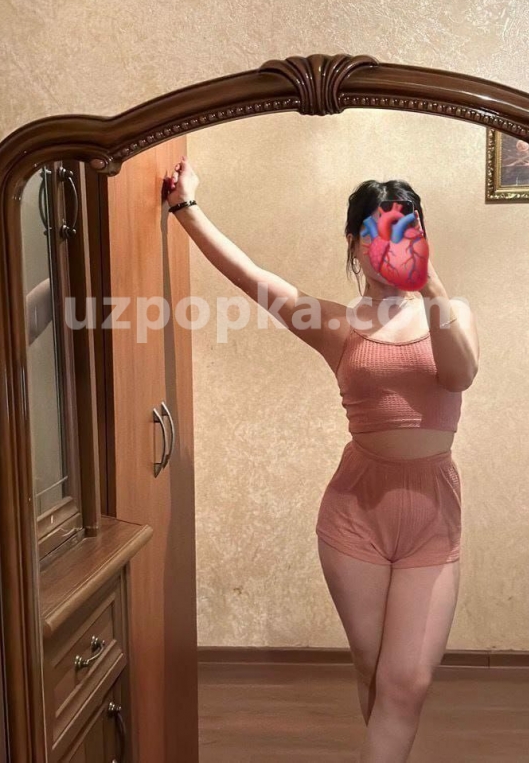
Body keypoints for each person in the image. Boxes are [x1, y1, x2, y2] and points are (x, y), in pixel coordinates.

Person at [164, 155, 480, 762]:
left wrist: (431, 284)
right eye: (377, 232)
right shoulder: (334, 323)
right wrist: (186, 207)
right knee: (373, 670)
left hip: (432, 514)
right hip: (355, 512)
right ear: (354, 243)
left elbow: (459, 374)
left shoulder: (452, 311)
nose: (392, 245)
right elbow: (254, 278)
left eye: (407, 229)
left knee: (407, 682)